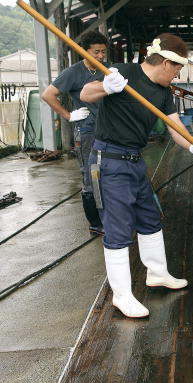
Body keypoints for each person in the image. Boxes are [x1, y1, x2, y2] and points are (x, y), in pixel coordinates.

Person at [80, 33, 193, 318]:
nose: (177, 76)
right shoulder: (123, 73)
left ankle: (157, 273)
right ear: (165, 63)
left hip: (134, 161)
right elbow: (85, 93)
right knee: (117, 229)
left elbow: (174, 127)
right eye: (177, 69)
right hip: (109, 162)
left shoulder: (164, 93)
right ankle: (122, 295)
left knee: (150, 218)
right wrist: (106, 86)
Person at [41, 31, 109, 236]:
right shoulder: (74, 72)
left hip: (107, 129)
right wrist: (69, 115)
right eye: (96, 52)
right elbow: (48, 95)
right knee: (91, 175)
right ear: (84, 52)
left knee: (108, 173)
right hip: (87, 130)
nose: (100, 56)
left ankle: (109, 216)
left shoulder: (106, 70)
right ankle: (96, 223)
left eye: (103, 52)